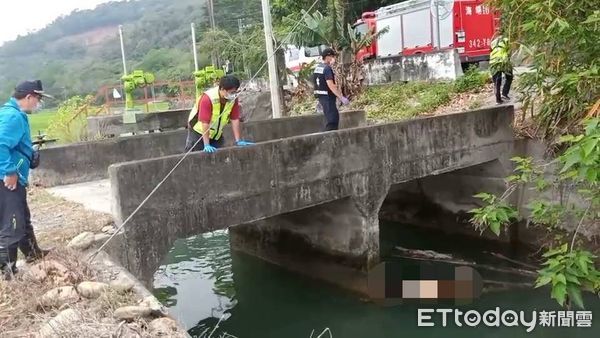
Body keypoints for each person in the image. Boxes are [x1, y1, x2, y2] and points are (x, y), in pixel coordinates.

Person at [0, 80, 51, 280]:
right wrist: (9, 171)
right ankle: (8, 272)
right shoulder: (12, 116)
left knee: (22, 217)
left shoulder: (13, 113)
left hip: (14, 176)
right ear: (29, 96)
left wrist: (30, 154)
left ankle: (32, 253)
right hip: (6, 179)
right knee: (12, 223)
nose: (37, 104)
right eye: (37, 99)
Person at [185, 75, 254, 153]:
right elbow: (205, 122)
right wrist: (206, 144)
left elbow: (234, 119)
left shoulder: (233, 99)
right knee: (195, 157)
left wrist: (238, 140)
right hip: (198, 133)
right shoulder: (207, 98)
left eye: (235, 91)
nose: (234, 94)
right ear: (222, 89)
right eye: (231, 92)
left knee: (219, 158)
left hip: (216, 134)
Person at [313, 48, 350, 131]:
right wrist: (341, 97)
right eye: (332, 56)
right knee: (332, 120)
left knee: (329, 120)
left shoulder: (317, 68)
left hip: (321, 98)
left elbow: (317, 84)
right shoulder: (327, 69)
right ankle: (329, 140)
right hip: (328, 98)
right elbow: (331, 85)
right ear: (327, 57)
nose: (334, 59)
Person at [490, 29, 513, 104]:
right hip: (503, 61)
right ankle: (504, 94)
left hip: (493, 62)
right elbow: (509, 51)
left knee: (497, 82)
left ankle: (498, 100)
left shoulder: (492, 42)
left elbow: (490, 51)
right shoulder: (506, 39)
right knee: (509, 77)